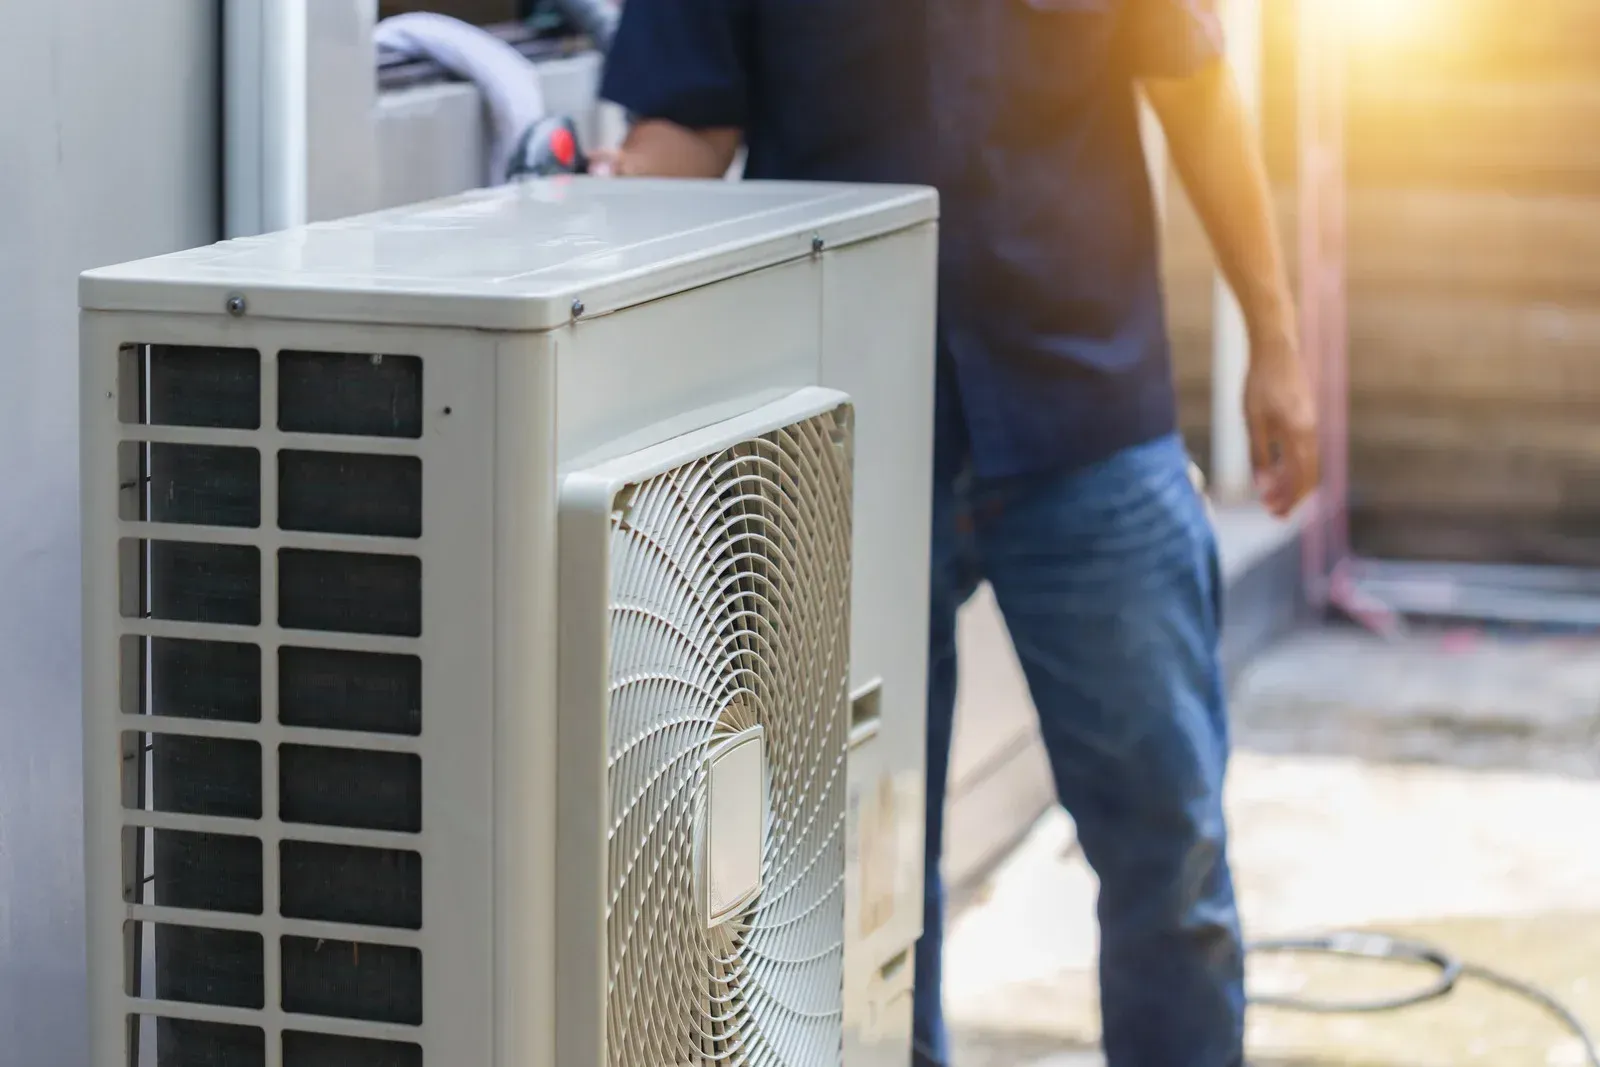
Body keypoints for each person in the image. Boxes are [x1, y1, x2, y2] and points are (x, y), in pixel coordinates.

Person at [595, 1, 1318, 1064]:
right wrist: (563, 225)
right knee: (854, 872)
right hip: (849, 429)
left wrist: (1276, 340)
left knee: (1170, 842)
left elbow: (1194, 87)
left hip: (1086, 411)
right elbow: (691, 131)